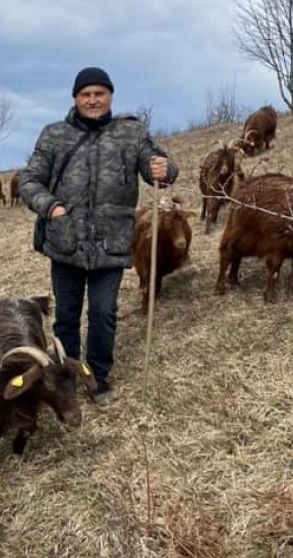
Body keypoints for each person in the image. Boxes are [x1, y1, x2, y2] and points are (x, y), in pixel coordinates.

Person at [19, 66, 179, 406]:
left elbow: (160, 166)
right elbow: (28, 181)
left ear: (110, 96)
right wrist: (51, 208)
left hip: (113, 242)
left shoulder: (132, 133)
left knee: (104, 313)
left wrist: (164, 168)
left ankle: (98, 376)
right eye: (85, 94)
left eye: (99, 94)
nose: (92, 100)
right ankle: (65, 374)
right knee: (66, 315)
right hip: (66, 242)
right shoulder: (53, 135)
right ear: (75, 98)